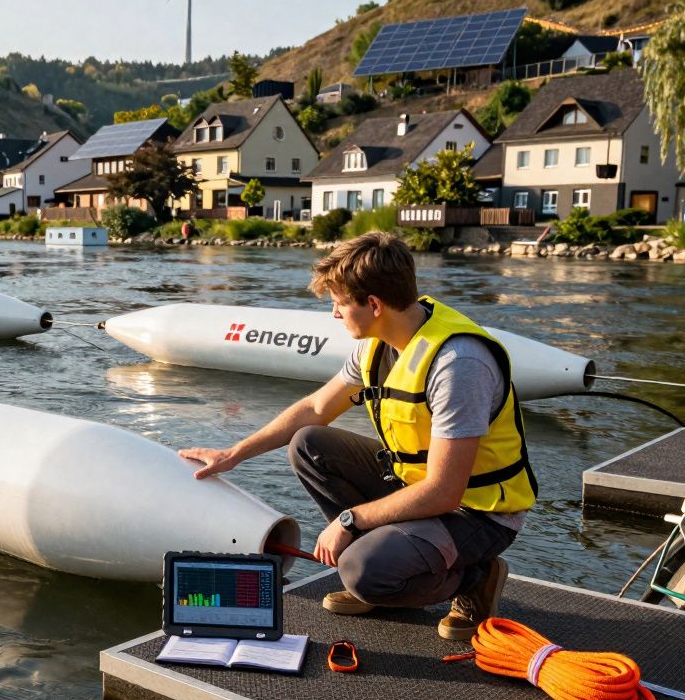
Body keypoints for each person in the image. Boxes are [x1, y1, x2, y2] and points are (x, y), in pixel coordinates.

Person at [179, 231, 535, 641]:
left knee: (360, 572)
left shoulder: (458, 366)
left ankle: (474, 578)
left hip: (478, 512)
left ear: (374, 305)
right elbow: (315, 409)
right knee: (309, 444)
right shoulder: (377, 342)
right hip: (418, 488)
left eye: (338, 304)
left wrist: (350, 521)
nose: (333, 315)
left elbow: (444, 492)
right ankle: (391, 559)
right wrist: (234, 454)